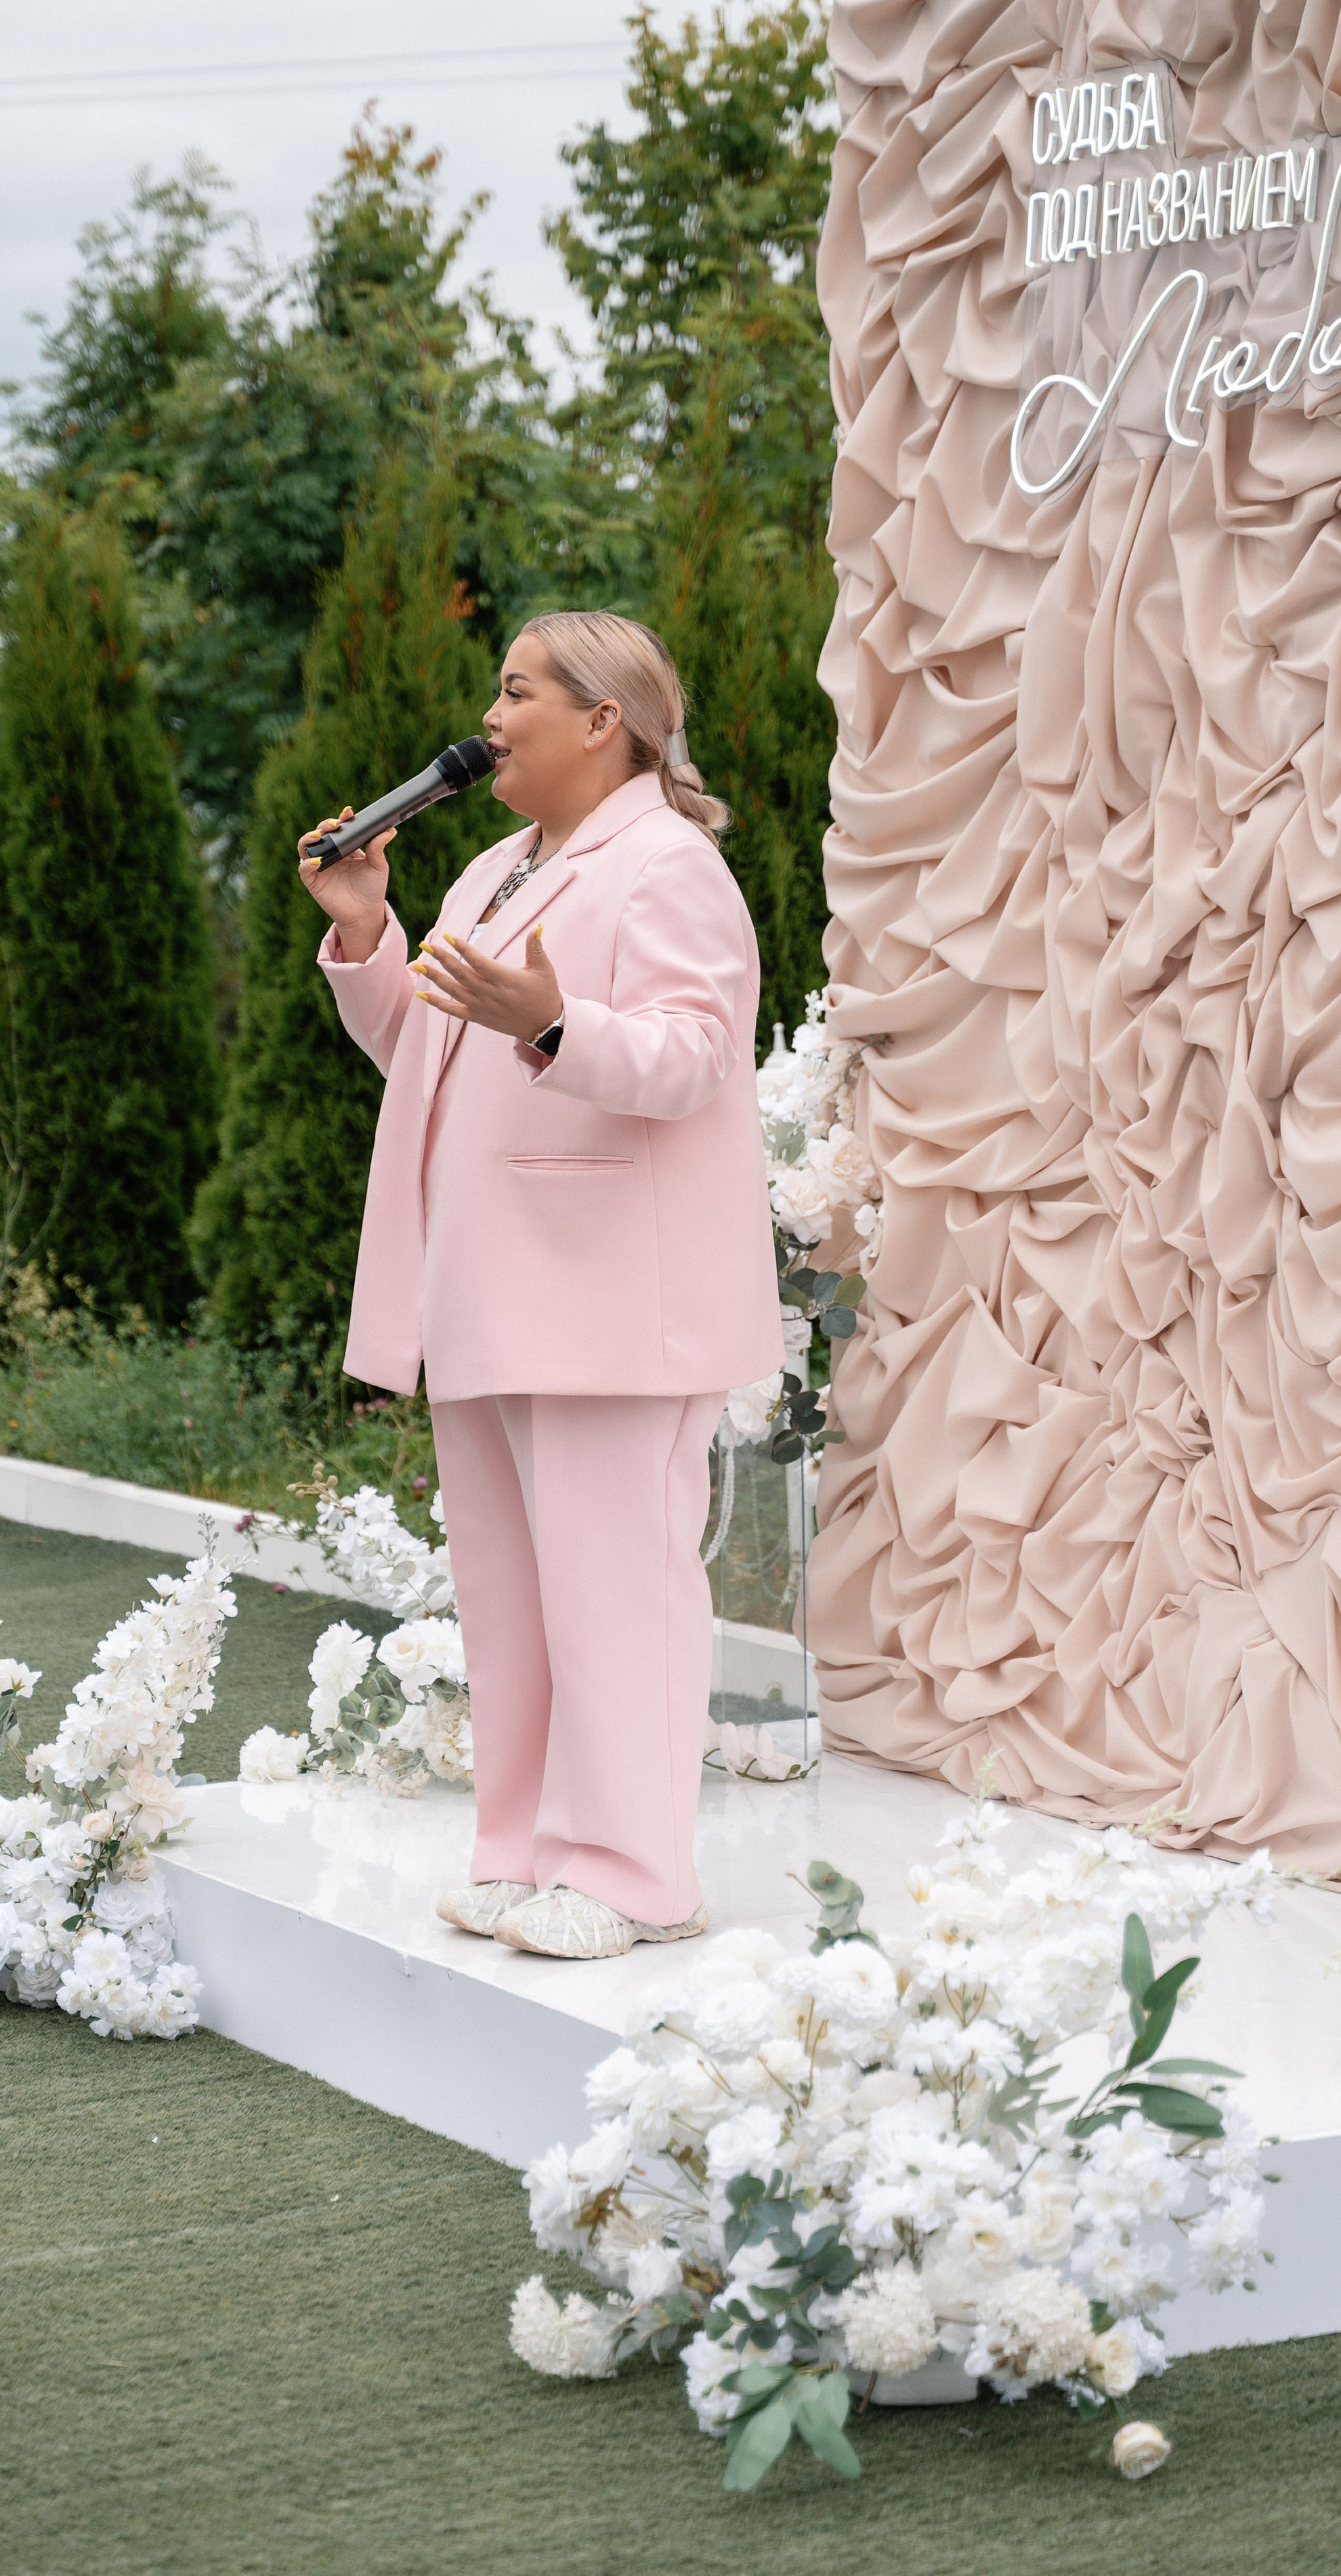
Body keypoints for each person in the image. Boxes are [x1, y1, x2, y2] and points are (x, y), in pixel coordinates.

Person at [299, 610, 781, 1960]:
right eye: (494, 692)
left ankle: (635, 1874)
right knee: (511, 1594)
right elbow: (429, 1058)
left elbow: (692, 1056)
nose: (490, 718)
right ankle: (520, 1849)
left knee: (615, 1589)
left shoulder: (666, 867)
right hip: (490, 1293)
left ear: (602, 720)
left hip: (614, 1303)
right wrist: (365, 933)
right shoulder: (496, 873)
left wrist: (554, 1025)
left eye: (516, 691)